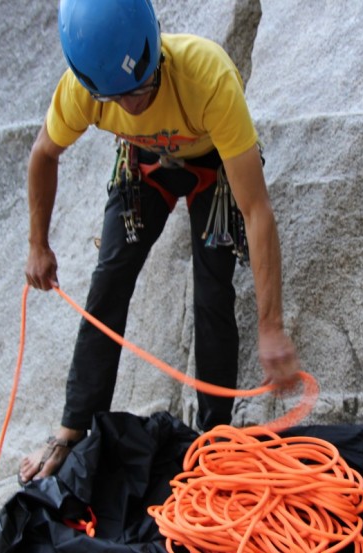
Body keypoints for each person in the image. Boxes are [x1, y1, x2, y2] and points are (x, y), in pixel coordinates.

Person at [19, 0, 300, 484]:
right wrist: (37, 244)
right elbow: (44, 154)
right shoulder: (85, 90)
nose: (133, 104)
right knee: (109, 280)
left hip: (213, 162)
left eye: (142, 87)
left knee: (212, 293)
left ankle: (215, 438)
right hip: (144, 161)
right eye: (118, 97)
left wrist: (271, 326)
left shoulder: (207, 76)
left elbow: (256, 210)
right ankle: (73, 429)